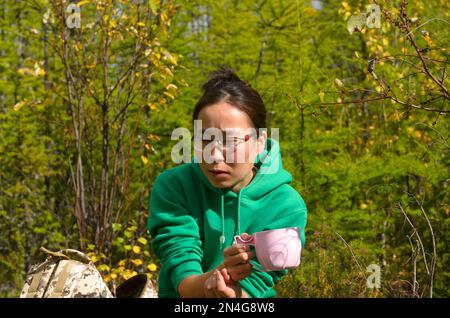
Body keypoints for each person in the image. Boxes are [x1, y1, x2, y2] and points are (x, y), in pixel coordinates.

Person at [147, 68, 308, 298]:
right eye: (205, 139)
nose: (215, 155)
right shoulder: (175, 187)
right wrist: (211, 281)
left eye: (230, 141)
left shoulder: (286, 205)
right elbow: (182, 277)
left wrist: (232, 293)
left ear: (260, 141)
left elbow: (257, 285)